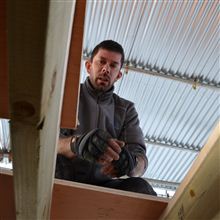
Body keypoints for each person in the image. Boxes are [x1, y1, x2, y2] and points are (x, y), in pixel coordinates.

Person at [56, 40, 156, 196]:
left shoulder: (126, 109)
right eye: (101, 62)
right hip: (65, 177)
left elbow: (141, 163)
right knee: (54, 166)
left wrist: (129, 163)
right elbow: (45, 143)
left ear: (119, 75)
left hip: (106, 185)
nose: (106, 69)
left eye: (113, 65)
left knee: (141, 188)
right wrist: (75, 144)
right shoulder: (65, 94)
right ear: (88, 66)